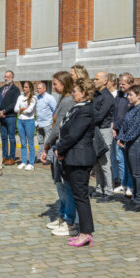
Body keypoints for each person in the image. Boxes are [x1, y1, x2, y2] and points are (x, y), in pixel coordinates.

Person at [53, 77, 97, 248]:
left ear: (84, 93)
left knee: (81, 197)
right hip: (73, 157)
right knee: (78, 196)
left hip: (80, 158)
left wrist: (59, 148)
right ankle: (84, 232)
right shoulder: (77, 108)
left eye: (75, 91)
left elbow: (74, 135)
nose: (72, 94)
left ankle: (86, 233)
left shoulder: (85, 110)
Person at [41, 71, 79, 237]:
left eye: (55, 84)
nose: (53, 86)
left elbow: (59, 127)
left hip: (63, 147)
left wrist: (47, 144)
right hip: (58, 145)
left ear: (64, 84)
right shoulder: (62, 99)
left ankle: (69, 221)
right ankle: (63, 216)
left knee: (65, 186)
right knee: (59, 184)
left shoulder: (68, 101)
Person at [117, 84, 140, 212]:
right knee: (133, 173)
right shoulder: (131, 109)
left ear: (139, 95)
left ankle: (139, 201)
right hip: (129, 143)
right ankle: (135, 198)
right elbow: (124, 126)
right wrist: (120, 138)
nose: (128, 97)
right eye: (128, 94)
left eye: (131, 95)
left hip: (138, 143)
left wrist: (124, 139)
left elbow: (135, 128)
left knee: (138, 173)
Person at [91, 71, 115, 199]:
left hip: (104, 130)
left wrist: (87, 119)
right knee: (96, 162)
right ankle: (99, 188)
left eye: (96, 79)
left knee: (105, 162)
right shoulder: (95, 95)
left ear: (105, 81)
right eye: (94, 79)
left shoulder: (107, 97)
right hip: (95, 130)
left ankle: (109, 191)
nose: (94, 81)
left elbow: (100, 116)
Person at [111, 73, 135, 196]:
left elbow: (127, 116)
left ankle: (130, 185)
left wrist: (116, 125)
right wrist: (113, 126)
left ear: (130, 84)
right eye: (119, 83)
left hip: (127, 132)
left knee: (128, 160)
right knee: (119, 159)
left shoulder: (131, 98)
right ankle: (123, 183)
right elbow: (115, 112)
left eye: (123, 83)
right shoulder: (119, 96)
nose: (121, 85)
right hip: (117, 131)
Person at [0, 70, 19, 165]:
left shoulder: (15, 89)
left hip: (10, 116)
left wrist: (5, 111)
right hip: (1, 117)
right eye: (5, 76)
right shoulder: (1, 88)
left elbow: (14, 103)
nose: (6, 78)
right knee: (3, 138)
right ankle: (5, 157)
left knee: (11, 138)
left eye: (8, 76)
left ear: (12, 77)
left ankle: (12, 157)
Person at [14, 81, 37, 169]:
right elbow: (15, 109)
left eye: (26, 87)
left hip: (29, 121)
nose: (24, 89)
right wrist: (23, 109)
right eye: (24, 87)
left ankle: (31, 163)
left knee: (30, 143)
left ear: (30, 88)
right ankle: (24, 161)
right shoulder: (20, 97)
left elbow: (29, 110)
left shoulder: (33, 98)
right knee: (23, 143)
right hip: (20, 120)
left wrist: (21, 109)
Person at [34, 81, 57, 164]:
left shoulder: (49, 98)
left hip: (48, 123)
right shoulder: (37, 97)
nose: (38, 90)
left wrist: (53, 122)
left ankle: (49, 158)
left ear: (44, 88)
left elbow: (55, 110)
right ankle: (40, 157)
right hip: (39, 123)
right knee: (40, 141)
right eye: (37, 88)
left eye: (39, 88)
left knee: (49, 141)